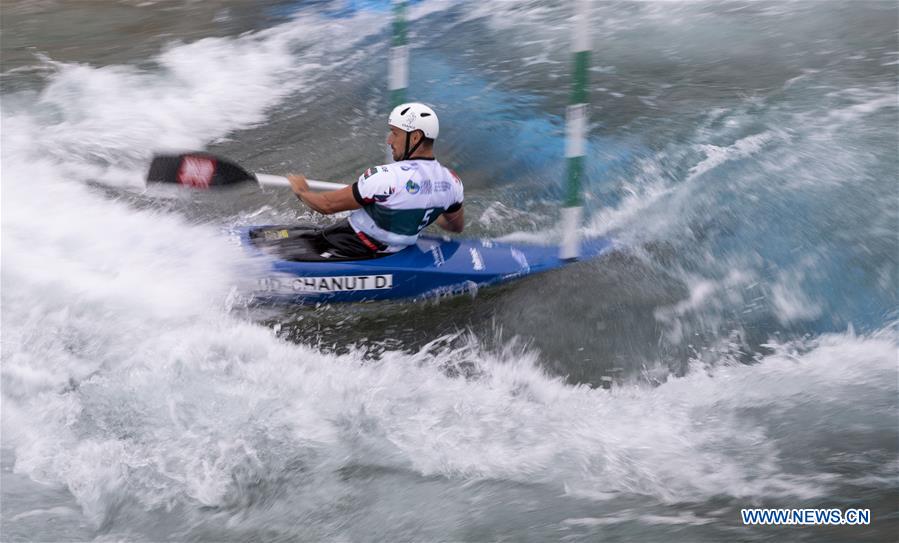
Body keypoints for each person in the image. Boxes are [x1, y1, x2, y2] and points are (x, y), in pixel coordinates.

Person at [286, 102, 464, 259]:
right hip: (392, 249)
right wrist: (426, 210)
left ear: (415, 137)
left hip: (350, 243)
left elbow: (326, 206)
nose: (389, 140)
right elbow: (455, 226)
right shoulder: (452, 183)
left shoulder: (385, 177)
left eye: (394, 133)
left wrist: (302, 191)